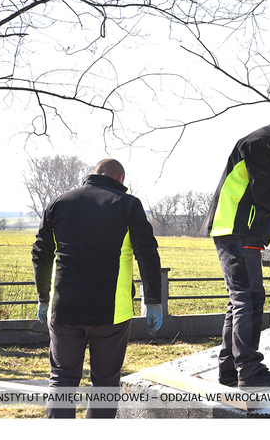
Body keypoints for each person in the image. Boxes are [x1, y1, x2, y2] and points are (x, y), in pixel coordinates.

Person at [32, 159, 163, 419]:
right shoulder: (128, 204)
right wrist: (153, 302)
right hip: (111, 314)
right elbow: (147, 254)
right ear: (121, 178)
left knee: (62, 381)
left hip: (63, 310)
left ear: (93, 174)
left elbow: (41, 254)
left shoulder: (59, 203)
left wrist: (44, 299)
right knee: (105, 384)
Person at [204, 114, 270, 388]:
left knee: (240, 301)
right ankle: (249, 371)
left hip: (243, 231)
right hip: (239, 229)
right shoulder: (261, 142)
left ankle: (230, 370)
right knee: (248, 299)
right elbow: (265, 194)